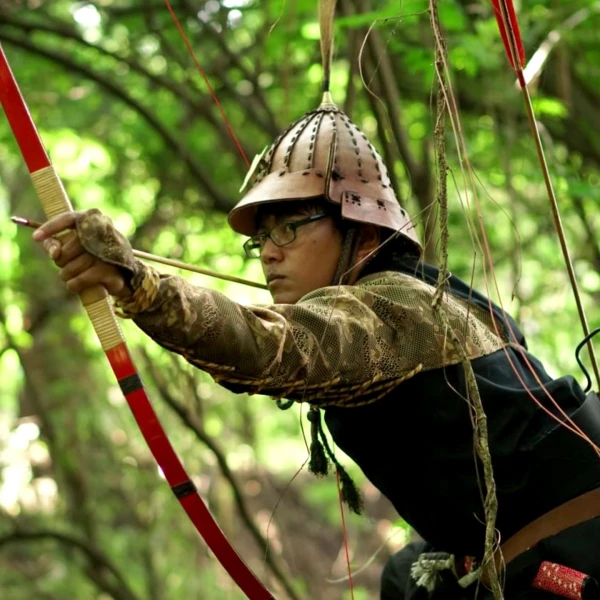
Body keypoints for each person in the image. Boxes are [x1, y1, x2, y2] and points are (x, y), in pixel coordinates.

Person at [32, 91, 600, 599]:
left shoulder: (392, 306)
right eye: (260, 239)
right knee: (405, 576)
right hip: (513, 539)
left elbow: (265, 346)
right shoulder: (439, 294)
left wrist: (140, 285)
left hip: (576, 546)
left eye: (288, 227)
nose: (269, 252)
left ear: (365, 229)